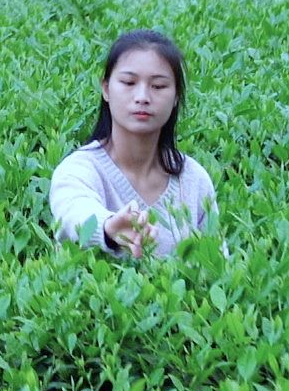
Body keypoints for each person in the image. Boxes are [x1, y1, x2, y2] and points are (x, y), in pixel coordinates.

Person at [48, 27, 216, 257]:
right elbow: (74, 212)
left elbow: (216, 263)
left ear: (176, 96)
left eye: (158, 86)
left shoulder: (194, 180)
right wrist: (108, 228)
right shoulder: (78, 170)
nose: (142, 97)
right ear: (106, 89)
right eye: (128, 82)